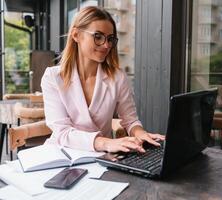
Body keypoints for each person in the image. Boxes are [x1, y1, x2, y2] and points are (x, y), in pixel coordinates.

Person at [41, 6, 164, 153]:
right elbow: (62, 132)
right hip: (61, 155)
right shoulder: (53, 77)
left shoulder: (117, 77)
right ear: (76, 35)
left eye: (110, 39)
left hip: (102, 158)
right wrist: (104, 143)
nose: (106, 45)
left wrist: (140, 133)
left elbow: (130, 120)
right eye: (98, 36)